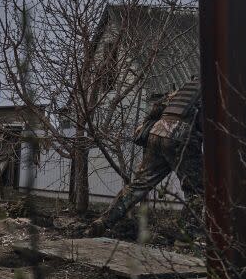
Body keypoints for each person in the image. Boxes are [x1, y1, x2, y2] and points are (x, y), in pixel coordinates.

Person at [87, 76, 203, 237]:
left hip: (157, 133)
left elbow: (158, 106)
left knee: (139, 185)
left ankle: (104, 221)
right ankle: (187, 236)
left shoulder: (187, 87)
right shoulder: (215, 91)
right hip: (182, 137)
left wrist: (146, 123)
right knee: (198, 190)